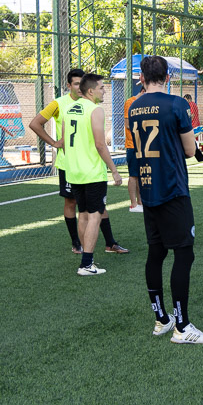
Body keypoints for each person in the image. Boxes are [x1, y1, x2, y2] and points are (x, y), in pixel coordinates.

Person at [128, 56, 203, 343]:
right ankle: (182, 327)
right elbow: (191, 150)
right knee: (184, 253)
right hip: (173, 188)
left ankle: (161, 319)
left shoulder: (133, 106)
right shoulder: (177, 104)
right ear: (167, 77)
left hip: (149, 189)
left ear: (142, 77)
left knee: (156, 253)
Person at [29, 69, 129, 255]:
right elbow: (35, 123)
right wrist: (54, 143)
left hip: (82, 166)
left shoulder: (87, 107)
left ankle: (108, 243)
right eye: (75, 84)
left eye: (81, 83)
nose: (79, 87)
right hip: (73, 166)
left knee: (91, 209)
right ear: (69, 86)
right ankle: (78, 245)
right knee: (75, 205)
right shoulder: (61, 104)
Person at [62, 74, 123, 275]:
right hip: (92, 173)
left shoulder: (69, 108)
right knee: (95, 215)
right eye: (102, 87)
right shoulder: (96, 110)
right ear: (91, 91)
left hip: (74, 172)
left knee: (84, 215)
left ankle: (87, 259)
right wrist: (114, 170)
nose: (104, 91)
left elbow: (64, 141)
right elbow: (100, 144)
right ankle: (86, 264)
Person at [124, 83, 145, 213]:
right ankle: (133, 203)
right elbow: (127, 124)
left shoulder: (143, 104)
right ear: (143, 91)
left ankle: (140, 202)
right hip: (132, 145)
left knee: (141, 175)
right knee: (133, 175)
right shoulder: (130, 102)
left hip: (142, 145)